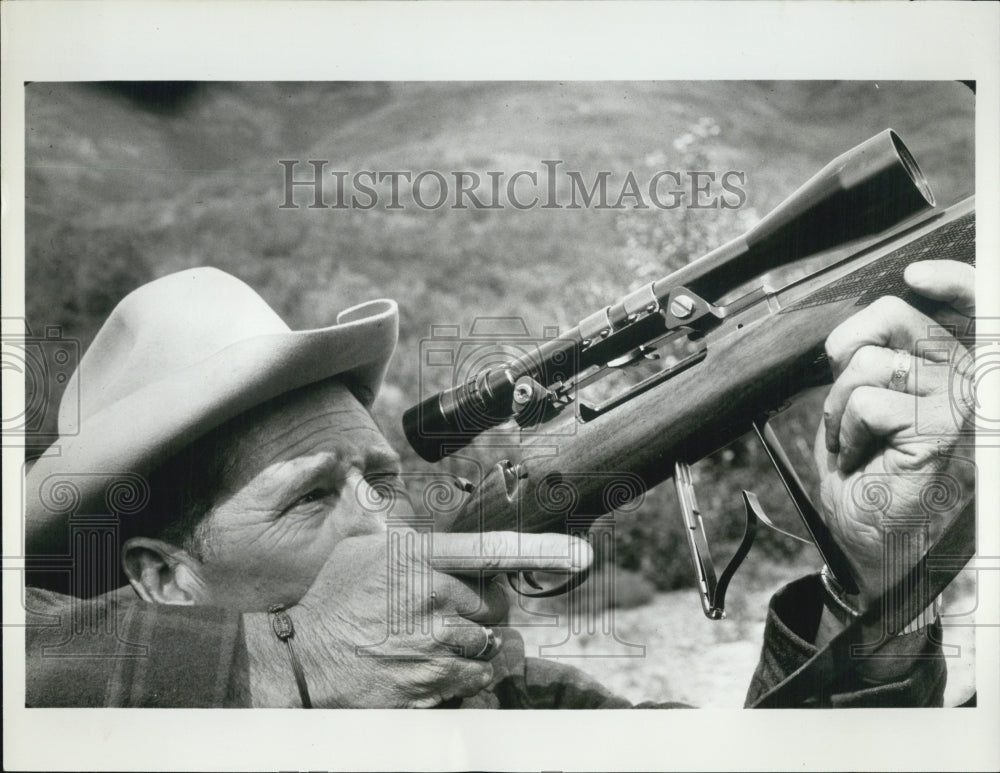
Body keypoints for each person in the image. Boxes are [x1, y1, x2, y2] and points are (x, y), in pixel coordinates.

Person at [22, 259, 975, 708]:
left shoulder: (515, 702)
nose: (384, 527)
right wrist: (288, 664)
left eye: (383, 479)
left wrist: (879, 589)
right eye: (311, 495)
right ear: (159, 579)